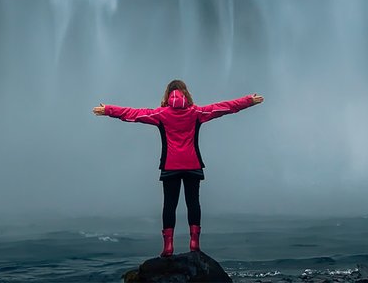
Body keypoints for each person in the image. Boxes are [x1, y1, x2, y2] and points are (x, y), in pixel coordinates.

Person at [93, 80, 264, 257]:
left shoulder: (161, 114)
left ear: (167, 95)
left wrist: (108, 110)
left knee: (169, 205)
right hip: (193, 164)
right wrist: (248, 101)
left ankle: (168, 246)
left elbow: (134, 114)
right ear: (186, 94)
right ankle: (194, 242)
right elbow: (224, 107)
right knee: (193, 203)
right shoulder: (196, 112)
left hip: (170, 165)